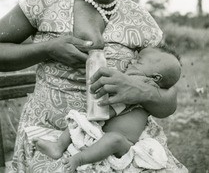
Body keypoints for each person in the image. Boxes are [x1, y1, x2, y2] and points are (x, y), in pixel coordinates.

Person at [0, 0, 188, 172]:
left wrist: (139, 89)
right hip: (52, 137)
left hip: (118, 141)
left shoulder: (141, 22)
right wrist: (47, 49)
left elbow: (169, 96)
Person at [32, 45, 181, 173]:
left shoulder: (143, 82)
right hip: (104, 131)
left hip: (125, 143)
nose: (132, 61)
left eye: (139, 61)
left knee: (111, 137)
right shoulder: (141, 80)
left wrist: (104, 112)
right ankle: (58, 146)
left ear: (155, 78)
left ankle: (77, 158)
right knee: (80, 119)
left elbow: (121, 103)